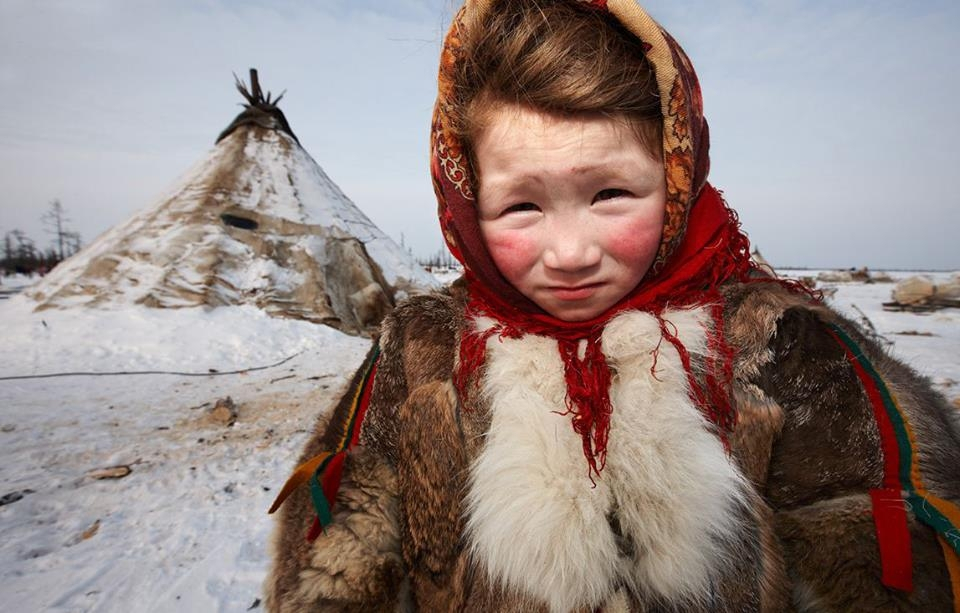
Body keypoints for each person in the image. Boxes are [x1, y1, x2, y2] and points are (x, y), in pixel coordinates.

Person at [264, 1, 960, 611]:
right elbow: (331, 577)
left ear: (676, 176)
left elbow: (890, 569)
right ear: (468, 204)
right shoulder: (423, 356)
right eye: (520, 205)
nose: (569, 252)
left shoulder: (781, 345)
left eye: (611, 195)